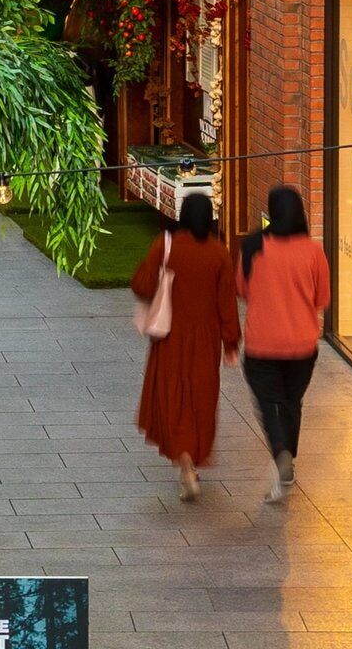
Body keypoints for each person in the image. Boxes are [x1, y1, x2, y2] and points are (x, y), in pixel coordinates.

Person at [131, 191, 239, 500]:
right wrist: (230, 342)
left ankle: (184, 460)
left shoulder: (166, 246)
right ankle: (194, 456)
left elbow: (141, 284)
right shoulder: (219, 253)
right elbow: (226, 304)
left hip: (170, 338)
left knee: (172, 395)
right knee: (201, 398)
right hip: (206, 339)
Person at [236, 185, 331, 503]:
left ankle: (282, 454)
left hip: (262, 343)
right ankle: (288, 456)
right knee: (292, 402)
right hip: (303, 344)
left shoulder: (253, 247)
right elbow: (322, 298)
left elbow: (242, 289)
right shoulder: (314, 251)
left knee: (269, 404)